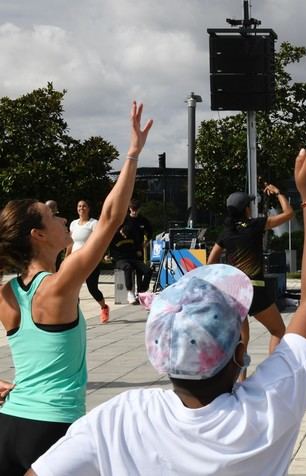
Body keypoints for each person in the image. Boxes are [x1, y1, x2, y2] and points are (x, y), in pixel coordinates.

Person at [29, 128, 306, 476]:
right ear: (240, 355)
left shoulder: (118, 418)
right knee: (279, 331)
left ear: (160, 355)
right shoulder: (269, 407)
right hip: (259, 288)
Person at [0, 101, 152, 475]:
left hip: (9, 425)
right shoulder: (58, 285)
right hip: (51, 429)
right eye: (53, 216)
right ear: (38, 235)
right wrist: (132, 154)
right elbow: (112, 218)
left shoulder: (6, 293)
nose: (64, 217)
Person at [207, 182, 293, 379]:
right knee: (278, 331)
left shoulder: (226, 232)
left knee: (242, 340)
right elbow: (289, 214)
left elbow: (211, 261)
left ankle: (241, 381)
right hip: (255, 290)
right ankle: (274, 376)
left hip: (234, 293)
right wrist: (278, 192)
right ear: (246, 208)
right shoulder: (255, 225)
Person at [65, 200, 110, 324]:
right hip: (75, 261)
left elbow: (99, 240)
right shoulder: (73, 224)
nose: (81, 208)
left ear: (88, 208)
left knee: (92, 288)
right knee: (73, 288)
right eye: (79, 206)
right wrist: (66, 258)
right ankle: (75, 315)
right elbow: (70, 243)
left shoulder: (93, 224)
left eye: (84, 206)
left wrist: (103, 254)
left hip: (90, 260)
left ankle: (104, 307)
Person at [109, 221, 152, 304]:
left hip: (133, 258)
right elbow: (108, 249)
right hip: (120, 260)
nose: (125, 237)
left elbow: (137, 246)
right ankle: (130, 293)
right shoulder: (114, 237)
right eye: (124, 235)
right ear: (120, 230)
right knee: (128, 267)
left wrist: (138, 251)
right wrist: (108, 257)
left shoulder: (132, 235)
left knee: (148, 270)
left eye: (127, 235)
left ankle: (141, 291)